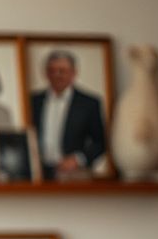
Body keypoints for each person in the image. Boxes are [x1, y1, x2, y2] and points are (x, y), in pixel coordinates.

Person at [31, 50, 107, 180]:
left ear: (73, 73)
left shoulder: (89, 103)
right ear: (46, 74)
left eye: (62, 70)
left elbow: (100, 142)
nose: (57, 75)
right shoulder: (33, 101)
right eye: (52, 70)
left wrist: (78, 159)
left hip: (74, 172)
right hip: (39, 172)